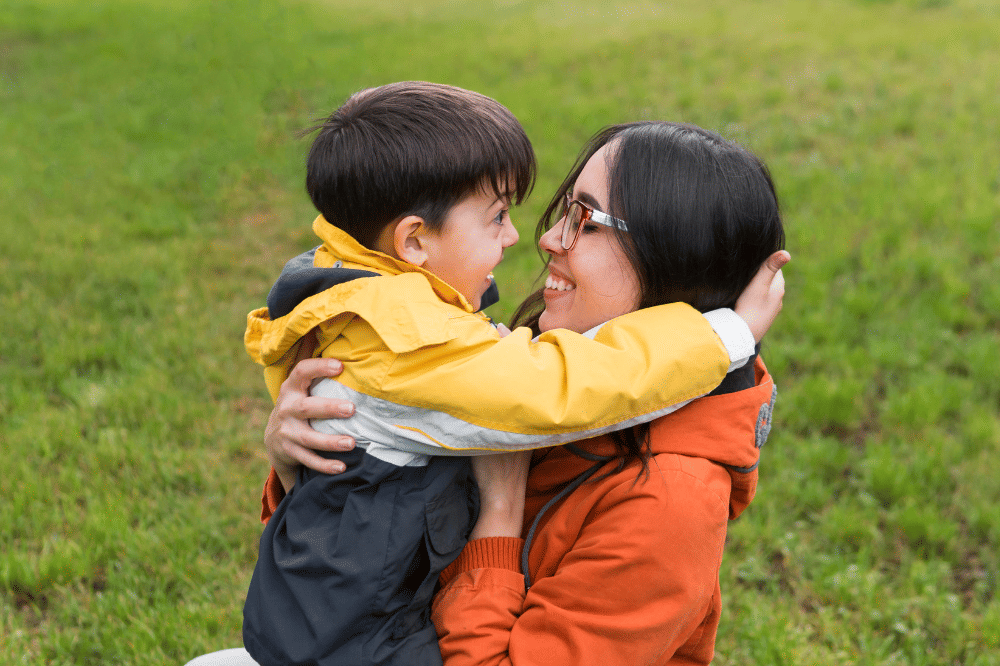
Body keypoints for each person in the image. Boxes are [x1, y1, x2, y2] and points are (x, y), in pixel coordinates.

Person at [237, 83, 779, 666]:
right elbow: (366, 552)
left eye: (586, 221)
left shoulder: (669, 502)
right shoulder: (506, 364)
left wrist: (497, 520)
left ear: (673, 257)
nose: (543, 239)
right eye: (561, 211)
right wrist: (304, 462)